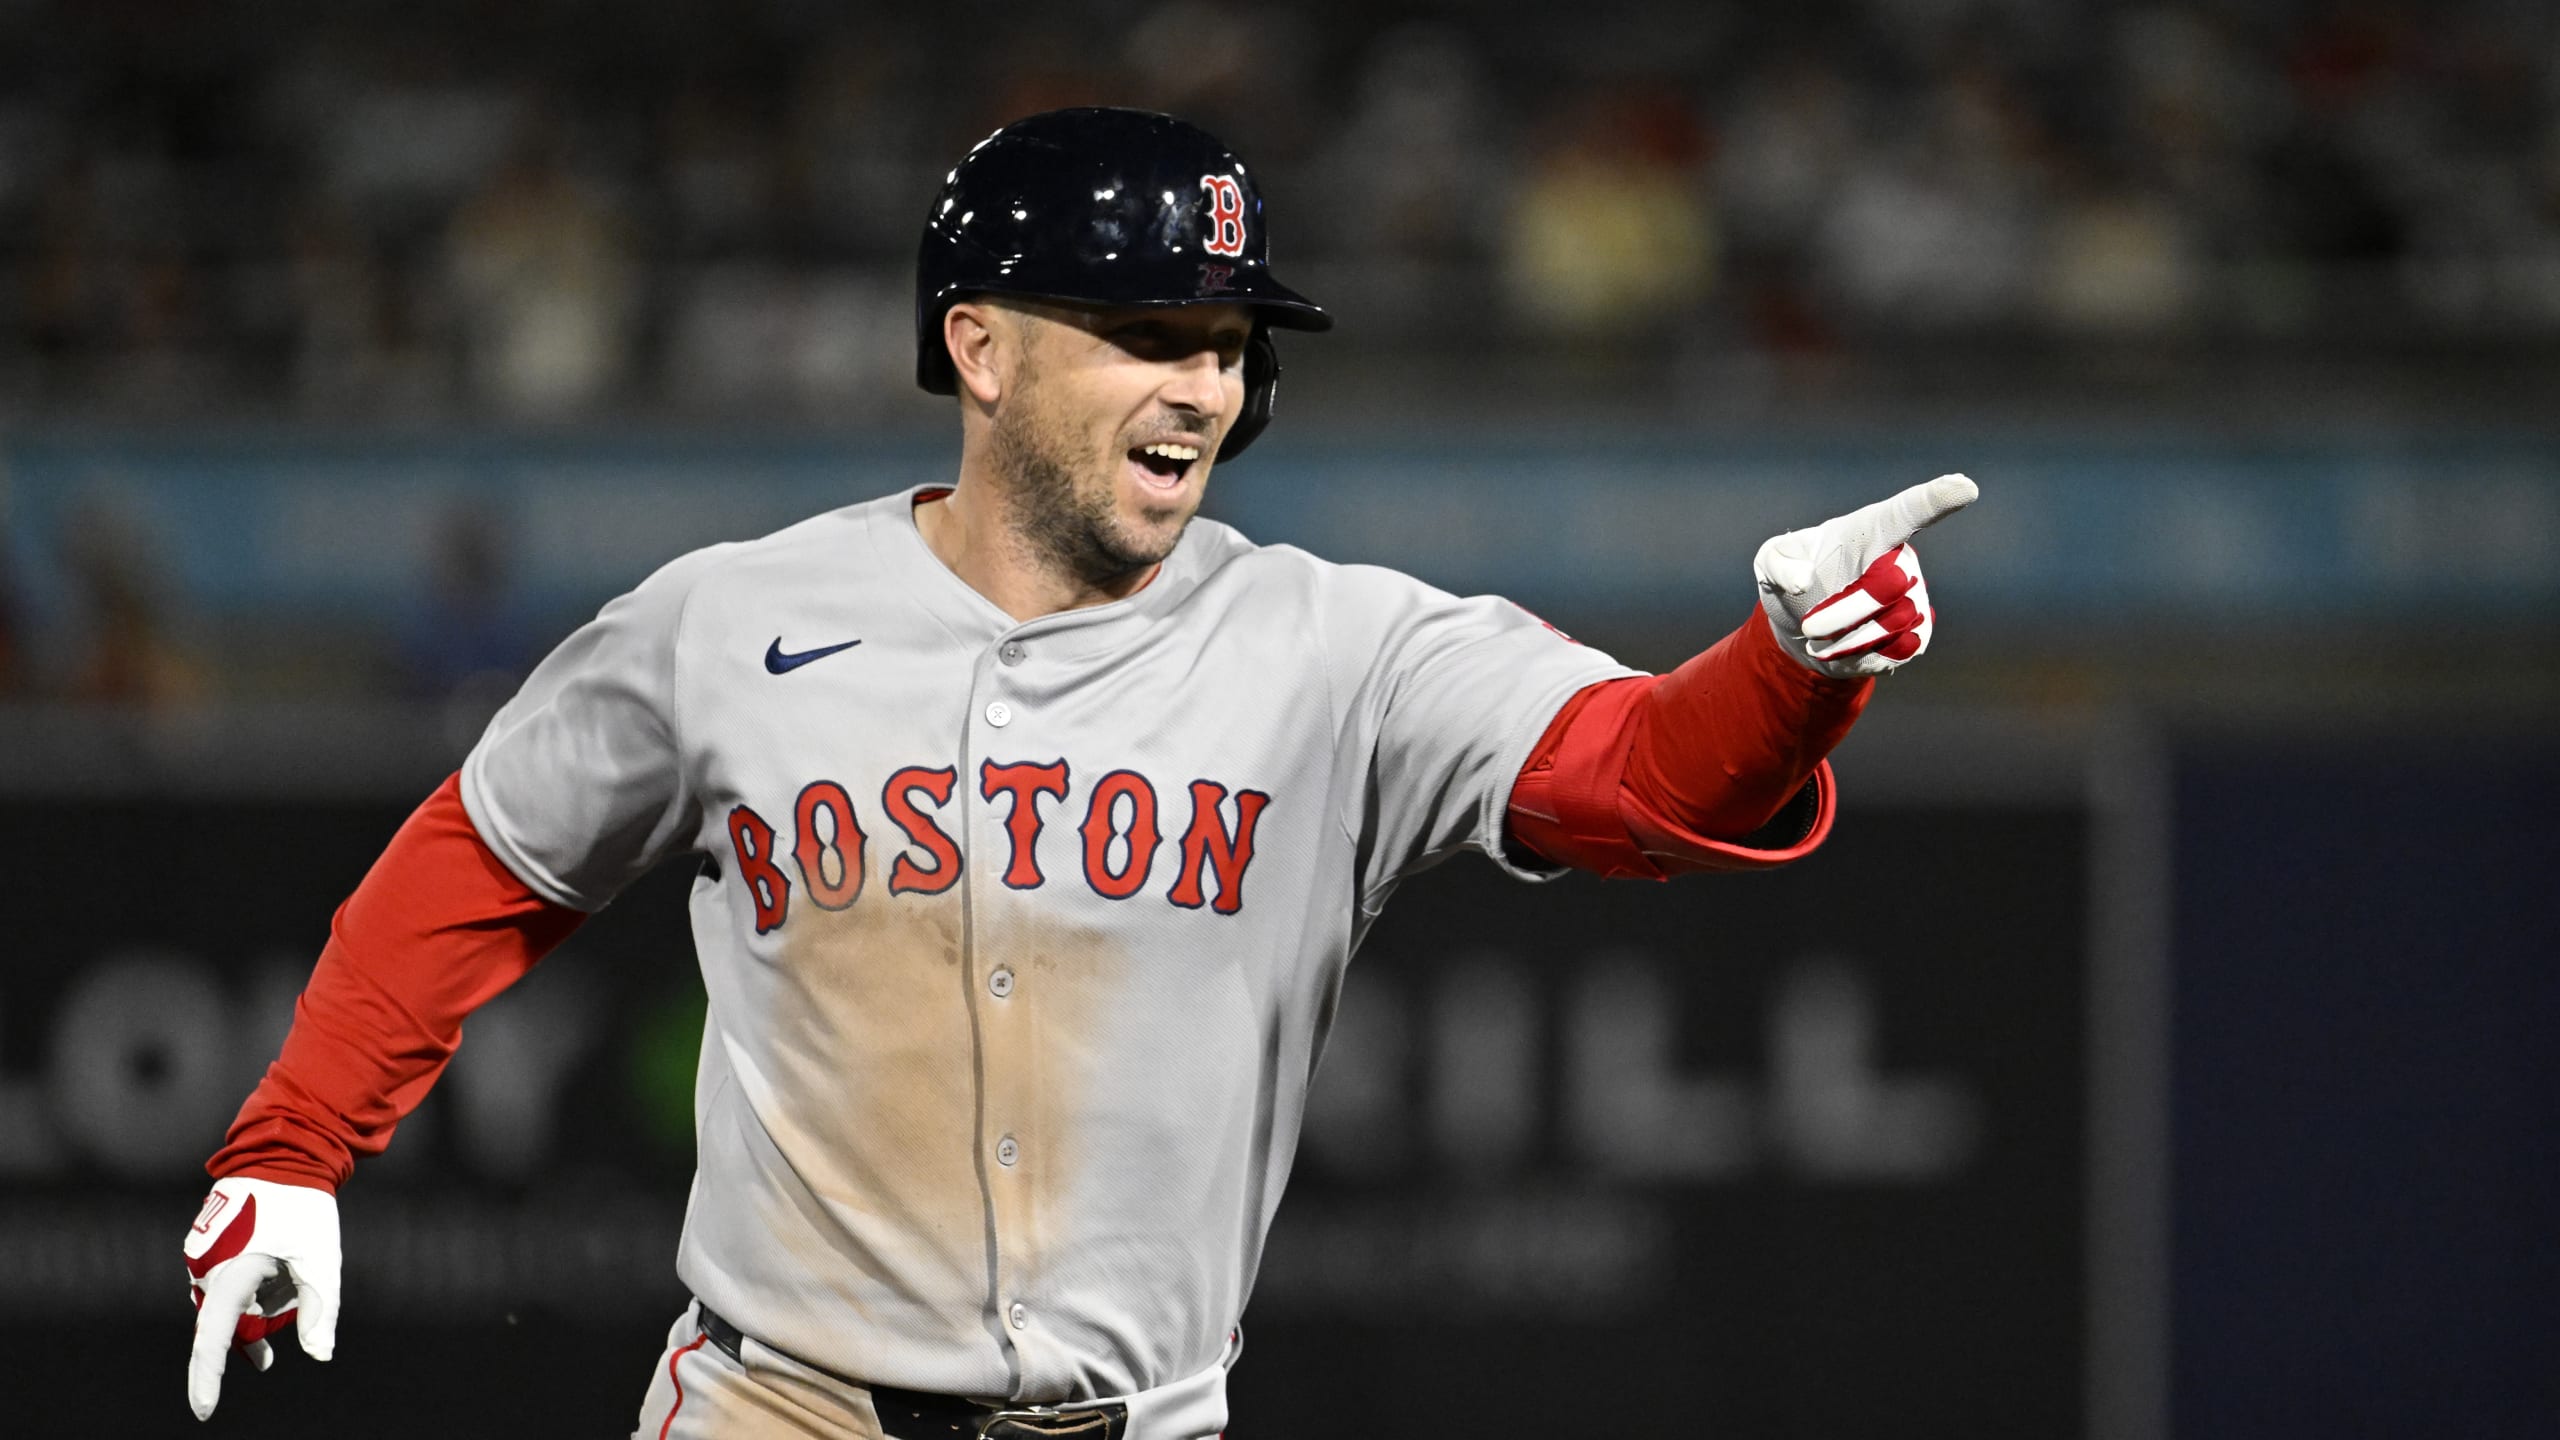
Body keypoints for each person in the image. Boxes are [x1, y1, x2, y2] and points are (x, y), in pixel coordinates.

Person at [182, 108, 1974, 1439]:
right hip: (776, 1409)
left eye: (1224, 346)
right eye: (1145, 336)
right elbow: (488, 853)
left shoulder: (1337, 648)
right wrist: (293, 1147)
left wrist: (1793, 673)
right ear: (980, 347)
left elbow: (1643, 774)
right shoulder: (729, 621)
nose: (1201, 386)